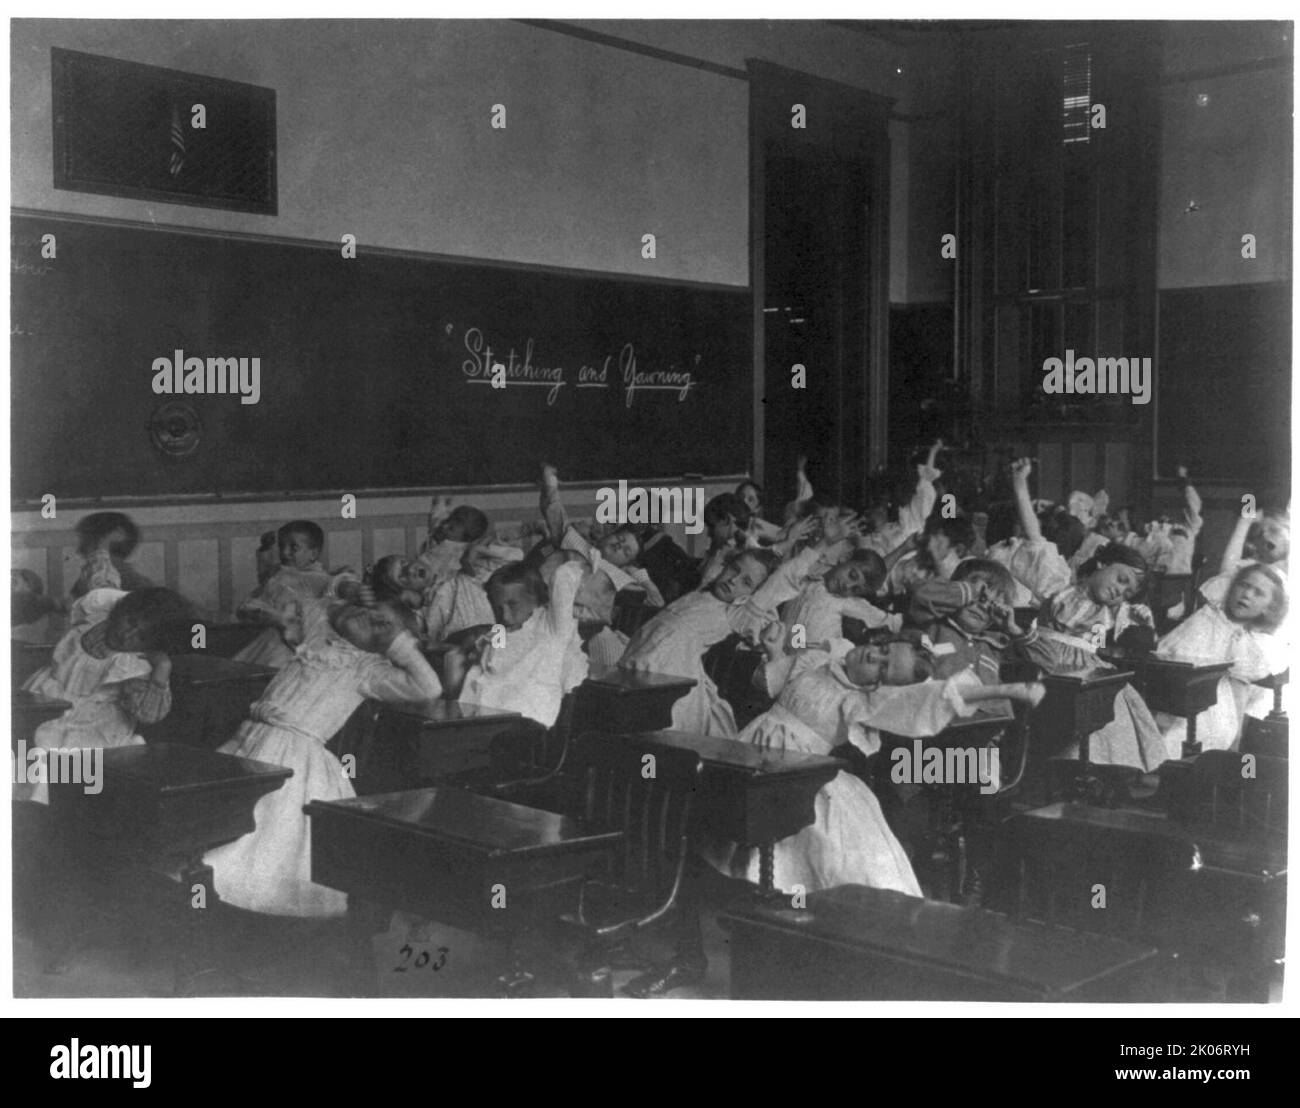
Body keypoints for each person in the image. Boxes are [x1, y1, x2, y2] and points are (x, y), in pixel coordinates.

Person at [706, 632, 1046, 894]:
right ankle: (750, 889)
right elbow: (767, 683)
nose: (874, 656)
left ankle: (797, 904)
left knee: (823, 844)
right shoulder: (819, 659)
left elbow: (933, 696)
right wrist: (774, 650)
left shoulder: (859, 701)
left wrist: (1009, 690)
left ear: (876, 686)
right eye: (882, 651)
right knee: (726, 821)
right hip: (749, 749)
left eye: (882, 667)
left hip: (799, 768)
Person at [206, 598, 442, 917]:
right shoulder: (318, 638)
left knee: (267, 826)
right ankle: (201, 885)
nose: (368, 615)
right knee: (210, 813)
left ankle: (245, 902)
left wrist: (398, 645)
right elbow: (310, 600)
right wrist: (344, 597)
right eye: (368, 608)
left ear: (384, 644)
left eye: (379, 624)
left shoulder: (369, 670)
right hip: (249, 737)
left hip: (293, 756)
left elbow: (428, 688)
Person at [618, 514, 860, 736]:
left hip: (669, 674)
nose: (733, 581)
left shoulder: (737, 611)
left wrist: (823, 545)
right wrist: (783, 543)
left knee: (653, 729)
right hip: (641, 656)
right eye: (733, 570)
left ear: (751, 594)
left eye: (745, 582)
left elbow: (781, 578)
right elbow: (754, 557)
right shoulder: (707, 585)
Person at [19, 586, 191, 804]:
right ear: (120, 612)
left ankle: (43, 811)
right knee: (21, 745)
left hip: (91, 726)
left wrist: (162, 669)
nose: (127, 635)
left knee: (51, 764)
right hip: (49, 698)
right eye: (130, 622)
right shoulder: (92, 624)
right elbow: (98, 598)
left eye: (141, 636)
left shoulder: (133, 664)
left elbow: (148, 714)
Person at [1155, 563, 1289, 758]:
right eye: (1243, 585)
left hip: (1211, 706)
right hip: (1172, 688)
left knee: (1204, 734)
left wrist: (1236, 737)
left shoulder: (1245, 642)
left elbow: (1239, 688)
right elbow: (1168, 651)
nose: (1247, 594)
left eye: (1258, 593)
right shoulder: (1206, 616)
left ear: (1267, 609)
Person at [444, 558, 589, 728]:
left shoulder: (552, 627)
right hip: (486, 719)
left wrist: (586, 565)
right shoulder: (500, 631)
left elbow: (563, 575)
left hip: (526, 724)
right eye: (497, 608)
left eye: (513, 605)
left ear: (535, 599)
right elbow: (490, 669)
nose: (505, 616)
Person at [69, 512, 152, 600]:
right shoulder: (86, 579)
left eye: (87, 540)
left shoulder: (137, 585)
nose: (79, 550)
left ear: (115, 535)